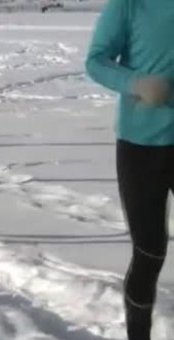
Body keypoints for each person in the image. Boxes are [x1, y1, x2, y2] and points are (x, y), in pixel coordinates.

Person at [86, 0, 174, 338]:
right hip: (142, 149)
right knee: (150, 251)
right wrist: (138, 83)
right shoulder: (128, 6)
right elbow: (96, 61)